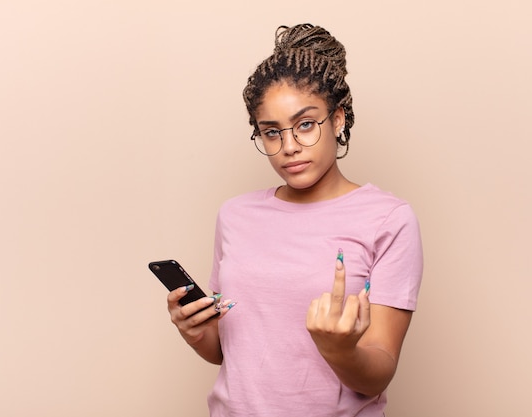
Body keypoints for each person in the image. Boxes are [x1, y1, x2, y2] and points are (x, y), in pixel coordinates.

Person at [166, 23, 423, 416]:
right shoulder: (235, 215)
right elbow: (229, 352)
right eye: (271, 132)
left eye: (305, 125)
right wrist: (197, 332)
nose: (288, 148)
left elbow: (377, 374)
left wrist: (339, 350)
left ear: (337, 120)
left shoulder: (388, 219)